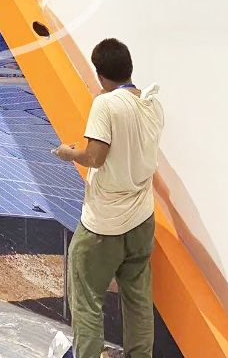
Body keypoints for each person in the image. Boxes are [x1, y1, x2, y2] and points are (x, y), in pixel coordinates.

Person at [52, 38, 164, 358]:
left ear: (100, 75)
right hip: (142, 219)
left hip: (104, 225)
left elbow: (95, 157)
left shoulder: (106, 104)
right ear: (129, 67)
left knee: (87, 298)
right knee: (138, 299)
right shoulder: (152, 104)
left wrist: (68, 153)